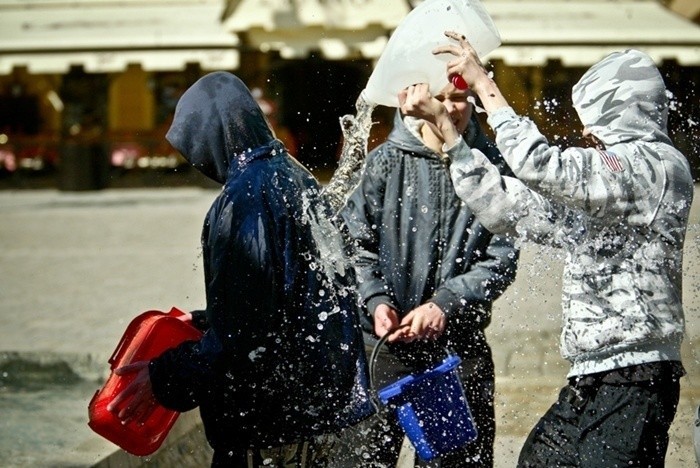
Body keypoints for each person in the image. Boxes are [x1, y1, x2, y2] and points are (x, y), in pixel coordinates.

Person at [400, 33, 693, 467]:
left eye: (594, 118)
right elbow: (510, 209)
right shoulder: (610, 190)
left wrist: (484, 87)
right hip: (590, 377)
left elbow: (542, 166)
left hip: (636, 381)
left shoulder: (655, 167)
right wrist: (450, 138)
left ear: (623, 109)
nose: (587, 132)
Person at [107, 71, 374, 467]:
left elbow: (245, 335)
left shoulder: (246, 195)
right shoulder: (297, 177)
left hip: (269, 432)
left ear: (211, 138)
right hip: (321, 419)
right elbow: (292, 300)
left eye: (193, 150)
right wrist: (204, 321)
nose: (198, 163)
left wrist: (165, 378)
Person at [339, 78, 520, 467]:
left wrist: (444, 304)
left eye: (460, 98)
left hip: (456, 352)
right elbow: (355, 245)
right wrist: (376, 302)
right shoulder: (383, 162)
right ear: (417, 100)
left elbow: (502, 259)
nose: (451, 108)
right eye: (440, 97)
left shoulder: (489, 167)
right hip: (383, 349)